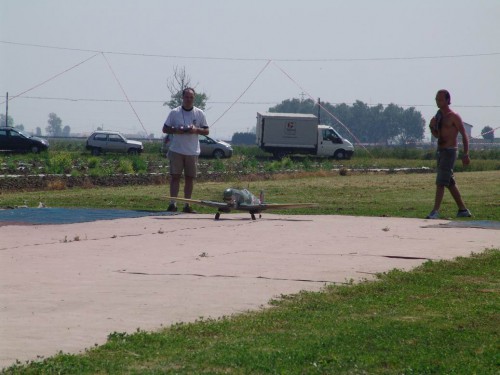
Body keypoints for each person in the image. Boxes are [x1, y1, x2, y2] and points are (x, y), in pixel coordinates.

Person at [426, 89, 472, 219]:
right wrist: (431, 126)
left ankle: (435, 210)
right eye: (436, 99)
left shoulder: (454, 116)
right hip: (440, 152)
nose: (437, 101)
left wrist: (466, 153)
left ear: (447, 100)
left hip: (450, 152)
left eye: (440, 99)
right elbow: (437, 135)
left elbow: (464, 135)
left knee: (440, 182)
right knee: (449, 182)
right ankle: (463, 209)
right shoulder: (438, 115)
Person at [162, 87, 209, 212]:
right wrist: (176, 130)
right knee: (175, 177)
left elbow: (206, 130)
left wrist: (195, 130)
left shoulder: (199, 113)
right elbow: (165, 129)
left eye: (191, 97)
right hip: (176, 150)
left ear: (194, 98)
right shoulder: (174, 112)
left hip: (192, 151)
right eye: (186, 97)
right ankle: (173, 203)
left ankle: (187, 205)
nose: (188, 99)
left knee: (189, 178)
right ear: (182, 98)